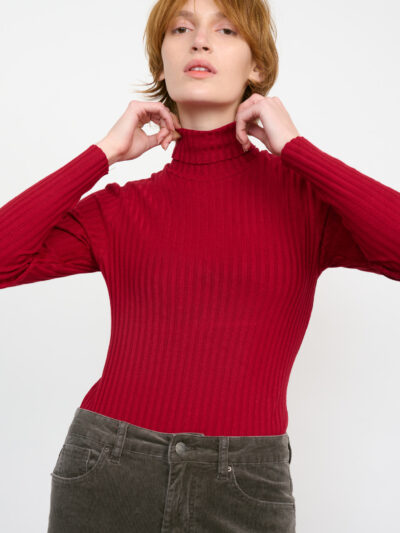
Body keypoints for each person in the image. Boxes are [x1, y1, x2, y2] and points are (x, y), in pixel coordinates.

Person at [1, 0, 399, 531]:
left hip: (245, 481)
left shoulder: (305, 202)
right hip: (109, 468)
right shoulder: (122, 209)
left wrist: (296, 149)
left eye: (226, 30)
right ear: (161, 64)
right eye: (180, 28)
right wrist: (103, 153)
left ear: (257, 66)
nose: (200, 40)